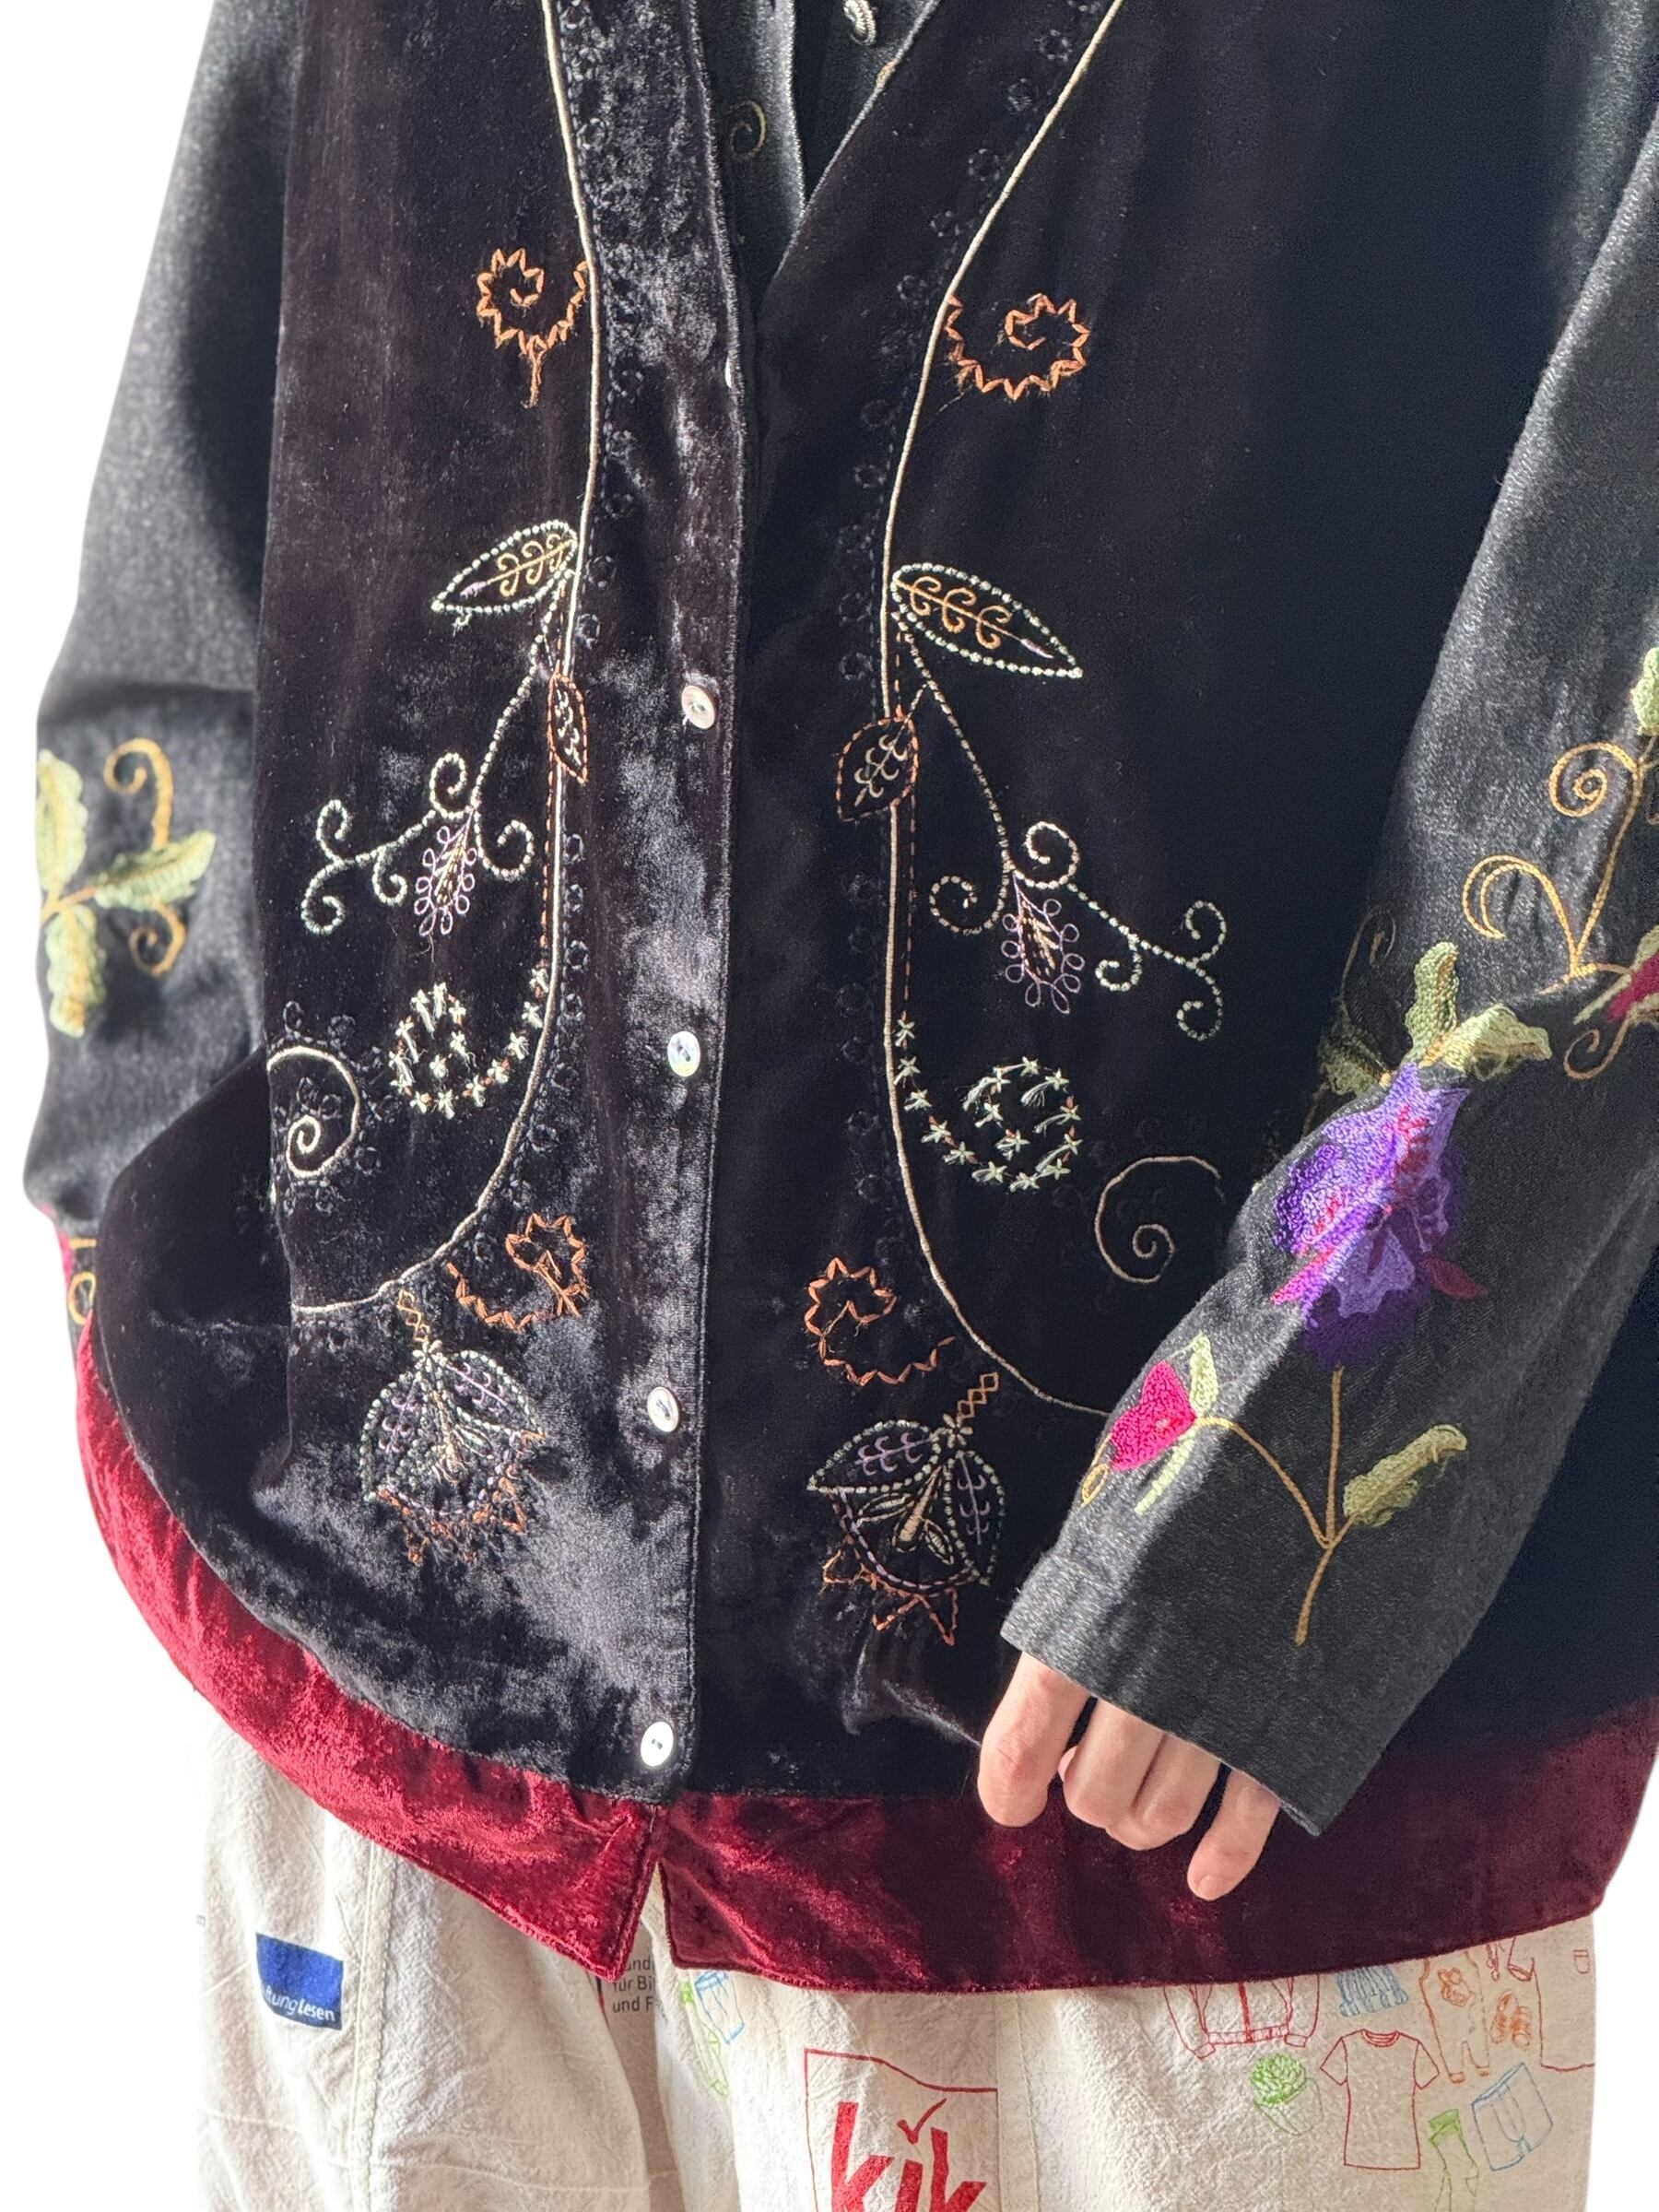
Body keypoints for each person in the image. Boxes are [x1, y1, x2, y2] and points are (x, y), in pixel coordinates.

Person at [28, 2, 1656, 2206]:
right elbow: (204, 508)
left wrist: (1289, 1487)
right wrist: (129, 1232)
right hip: (376, 1728)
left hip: (1167, 1834)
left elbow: (1608, 734)